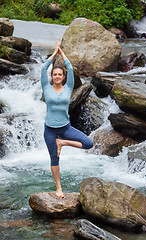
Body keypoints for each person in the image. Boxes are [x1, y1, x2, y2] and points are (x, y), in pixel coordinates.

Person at [41, 41, 93, 198]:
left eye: (60, 74)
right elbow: (43, 68)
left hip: (65, 128)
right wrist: (53, 55)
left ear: (63, 77)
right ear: (52, 76)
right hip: (50, 130)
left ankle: (62, 143)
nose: (57, 76)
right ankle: (58, 188)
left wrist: (62, 54)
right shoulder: (46, 87)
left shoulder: (68, 87)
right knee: (54, 159)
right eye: (55, 74)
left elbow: (70, 68)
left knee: (88, 143)